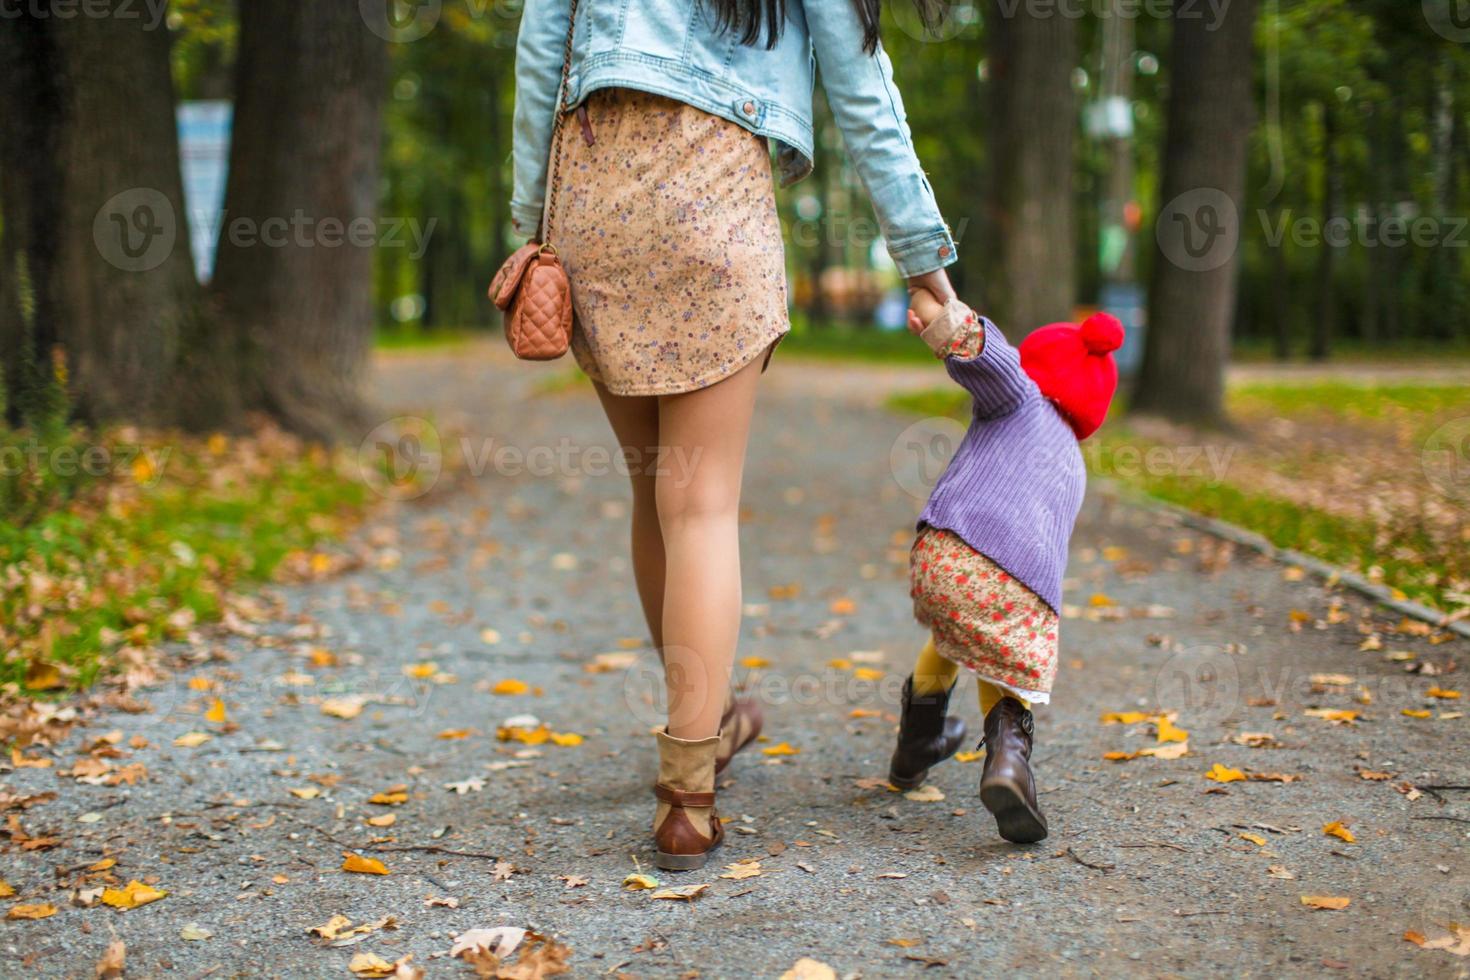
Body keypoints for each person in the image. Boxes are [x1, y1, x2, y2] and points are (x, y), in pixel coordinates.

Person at [512, 0, 959, 869]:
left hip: (594, 198)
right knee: (702, 507)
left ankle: (708, 724)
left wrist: (530, 232)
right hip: (718, 192)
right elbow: (864, 93)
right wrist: (925, 265)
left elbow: (540, 57)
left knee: (654, 489)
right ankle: (687, 795)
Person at [888, 288, 1123, 843]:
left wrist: (941, 316)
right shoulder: (1074, 463)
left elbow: (986, 357)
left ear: (1038, 366)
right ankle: (1009, 763)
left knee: (956, 631)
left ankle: (917, 741)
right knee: (1002, 652)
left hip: (944, 559)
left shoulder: (1018, 398)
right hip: (1016, 582)